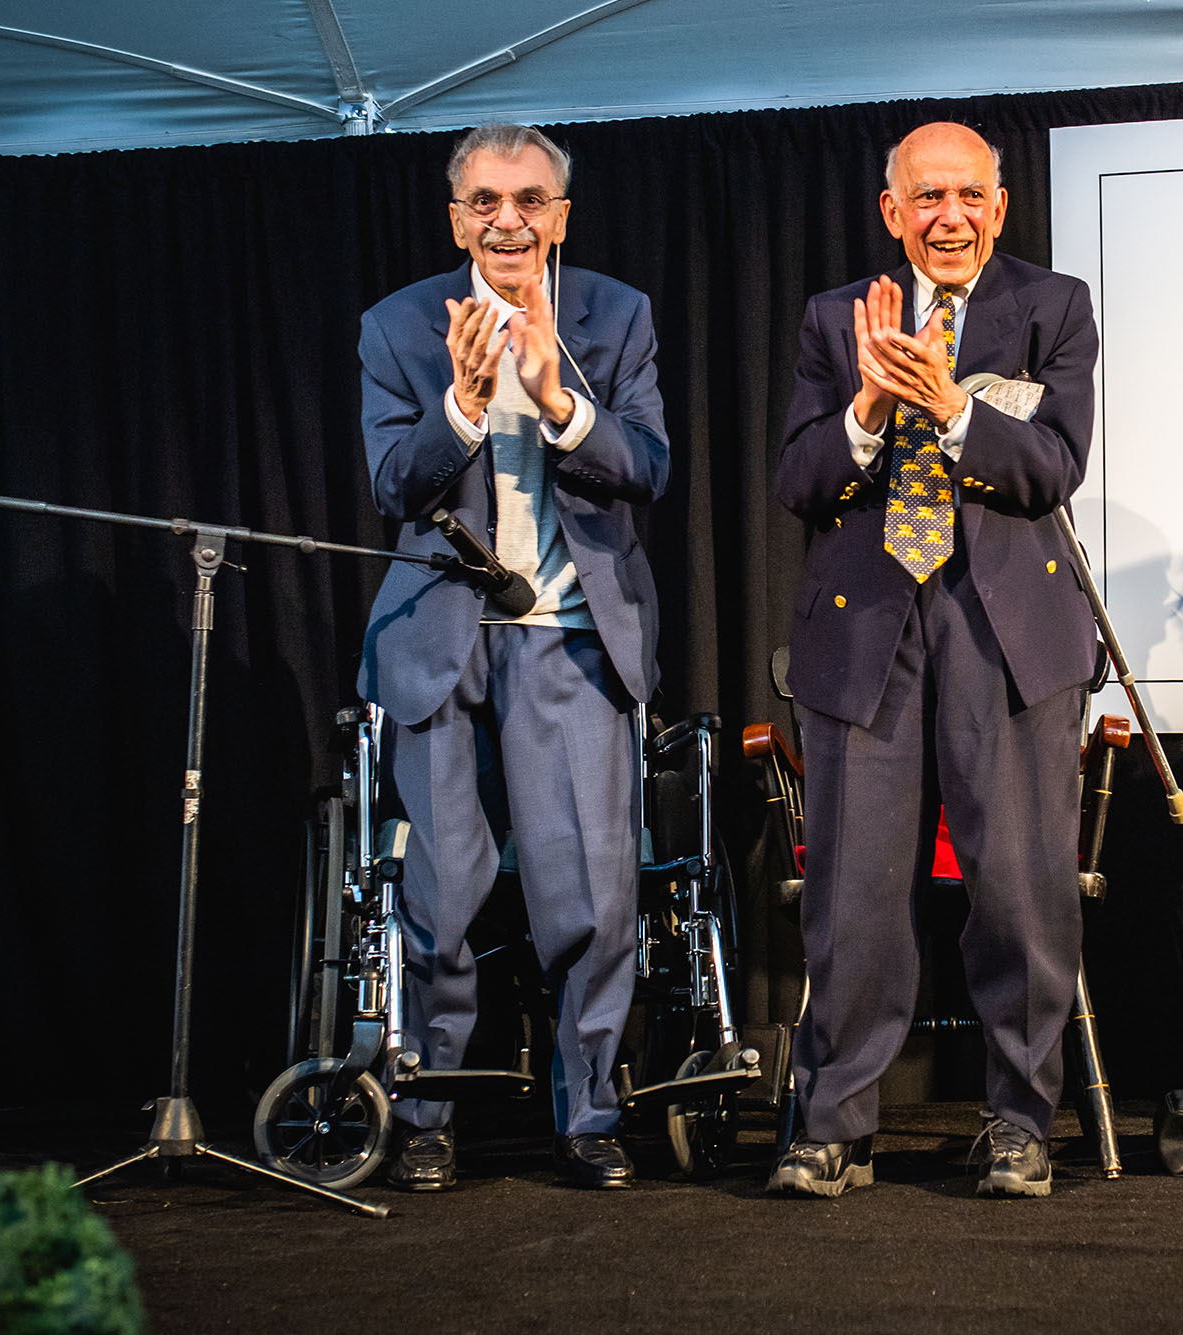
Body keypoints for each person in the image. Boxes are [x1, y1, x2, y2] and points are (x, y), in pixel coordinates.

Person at [768, 121, 1100, 1198]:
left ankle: (1017, 1124)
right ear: (891, 211)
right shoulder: (836, 319)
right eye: (926, 199)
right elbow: (799, 483)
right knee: (854, 897)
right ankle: (831, 1125)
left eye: (967, 197)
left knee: (1017, 890)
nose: (947, 217)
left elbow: (1051, 468)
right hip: (865, 634)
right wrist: (868, 406)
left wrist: (952, 407)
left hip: (1003, 636)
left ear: (998, 207)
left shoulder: (1051, 308)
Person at [356, 123, 669, 1191]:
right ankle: (428, 1114)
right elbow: (395, 485)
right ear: (457, 218)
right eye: (485, 201)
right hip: (443, 640)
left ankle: (587, 1115)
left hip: (570, 641)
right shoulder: (398, 326)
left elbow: (647, 466)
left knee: (585, 900)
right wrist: (460, 402)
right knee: (439, 901)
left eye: (529, 200)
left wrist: (556, 396)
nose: (507, 220)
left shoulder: (613, 316)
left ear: (559, 216)